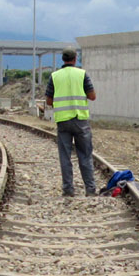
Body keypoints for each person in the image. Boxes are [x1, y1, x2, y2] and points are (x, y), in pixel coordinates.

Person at [45, 49, 97, 196]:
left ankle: (68, 189)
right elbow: (92, 96)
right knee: (85, 155)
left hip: (63, 120)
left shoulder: (54, 76)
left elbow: (49, 101)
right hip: (80, 120)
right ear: (75, 59)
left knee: (65, 156)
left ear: (63, 59)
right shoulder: (82, 74)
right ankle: (90, 189)